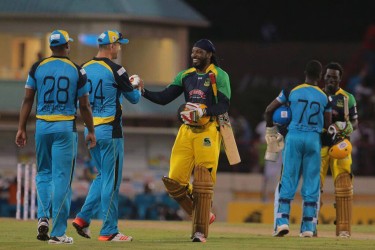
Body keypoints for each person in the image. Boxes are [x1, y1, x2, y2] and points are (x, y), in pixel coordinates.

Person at [140, 39, 230, 243]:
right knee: (174, 183)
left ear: (209, 54)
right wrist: (142, 92)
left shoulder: (219, 75)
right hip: (186, 132)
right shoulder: (186, 75)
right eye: (193, 51)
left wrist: (204, 110)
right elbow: (164, 98)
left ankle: (200, 232)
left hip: (208, 131)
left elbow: (224, 105)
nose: (194, 55)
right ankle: (204, 212)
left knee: (203, 183)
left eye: (199, 52)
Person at [15, 30, 96, 244]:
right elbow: (85, 105)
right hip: (65, 128)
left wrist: (21, 128)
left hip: (42, 126)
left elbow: (27, 100)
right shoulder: (77, 70)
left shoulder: (37, 67)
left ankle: (42, 216)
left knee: (43, 173)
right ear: (67, 46)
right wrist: (92, 130)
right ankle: (58, 233)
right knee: (62, 179)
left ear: (51, 47)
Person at [71, 29, 141, 242]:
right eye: (118, 44)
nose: (119, 47)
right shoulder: (117, 70)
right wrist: (137, 86)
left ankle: (82, 218)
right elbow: (134, 99)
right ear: (111, 46)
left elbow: (79, 101)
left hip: (90, 130)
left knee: (102, 176)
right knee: (111, 181)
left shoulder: (83, 68)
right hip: (110, 131)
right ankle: (109, 230)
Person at [265, 60, 332, 238]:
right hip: (313, 140)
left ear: (305, 73)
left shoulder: (290, 91)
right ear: (320, 75)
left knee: (288, 180)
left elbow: (269, 110)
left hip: (293, 137)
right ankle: (308, 227)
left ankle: (282, 222)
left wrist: (273, 129)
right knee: (311, 183)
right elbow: (328, 123)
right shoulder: (325, 97)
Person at [320, 62, 358, 238]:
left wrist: (343, 127)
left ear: (340, 79)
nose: (330, 80)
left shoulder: (348, 97)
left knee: (344, 184)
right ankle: (309, 226)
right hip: (319, 145)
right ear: (324, 77)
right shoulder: (317, 95)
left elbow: (355, 123)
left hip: (340, 146)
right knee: (314, 186)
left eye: (334, 77)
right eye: (328, 76)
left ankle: (343, 228)